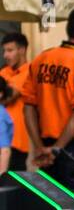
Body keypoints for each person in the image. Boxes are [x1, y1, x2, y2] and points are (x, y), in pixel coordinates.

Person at [22, 7, 74, 200]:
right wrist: (57, 149)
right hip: (72, 150)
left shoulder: (42, 59)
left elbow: (28, 107)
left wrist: (41, 147)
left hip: (45, 147)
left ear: (68, 29)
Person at [0, 31, 30, 170]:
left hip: (16, 143)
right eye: (4, 51)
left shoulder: (29, 72)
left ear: (22, 50)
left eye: (10, 50)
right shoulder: (4, 72)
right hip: (2, 140)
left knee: (12, 189)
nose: (5, 55)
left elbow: (8, 98)